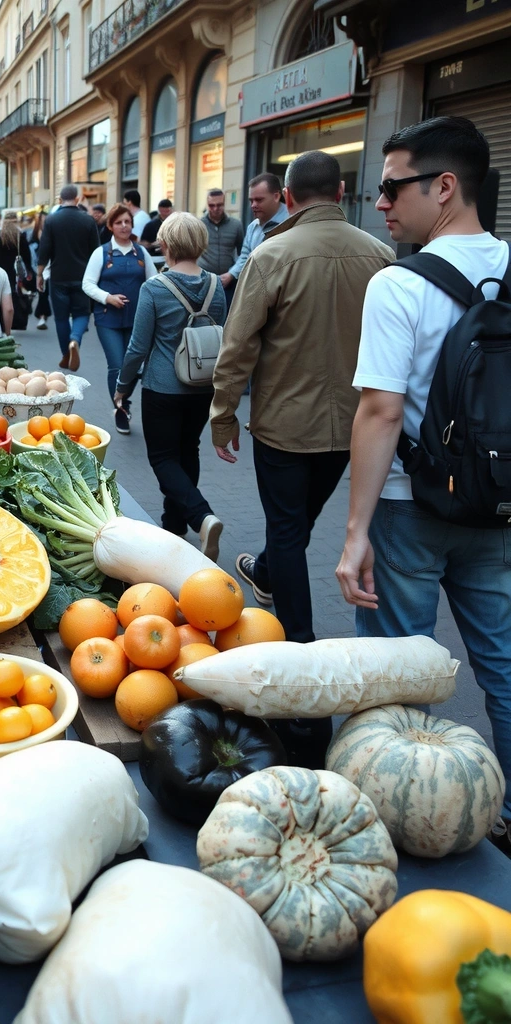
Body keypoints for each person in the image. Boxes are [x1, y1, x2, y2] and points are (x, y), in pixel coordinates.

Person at [334, 116, 511, 843]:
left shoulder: (399, 284)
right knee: (501, 659)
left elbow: (379, 410)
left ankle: (397, 815)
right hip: (496, 505)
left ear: (444, 187)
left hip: (411, 506)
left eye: (391, 187)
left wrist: (354, 534)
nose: (379, 203)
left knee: (397, 670)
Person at [209, 151, 394, 767]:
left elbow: (238, 345)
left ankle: (300, 647)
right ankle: (268, 569)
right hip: (355, 428)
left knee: (289, 532)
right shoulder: (380, 254)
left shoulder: (271, 255)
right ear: (341, 191)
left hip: (285, 427)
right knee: (298, 525)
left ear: (287, 198)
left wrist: (223, 413)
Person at [113, 213, 226, 557]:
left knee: (163, 458)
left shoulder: (154, 288)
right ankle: (174, 524)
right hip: (204, 385)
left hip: (163, 387)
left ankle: (201, 516)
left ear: (167, 245)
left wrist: (122, 387)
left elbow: (137, 347)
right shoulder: (216, 285)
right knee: (187, 450)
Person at [83, 202, 157, 435]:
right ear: (111, 226)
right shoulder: (101, 252)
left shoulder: (141, 253)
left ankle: (123, 399)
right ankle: (121, 408)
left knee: (134, 367)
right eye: (119, 222)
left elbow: (154, 281)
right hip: (108, 319)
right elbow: (87, 284)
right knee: (117, 365)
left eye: (127, 222)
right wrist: (107, 298)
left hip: (137, 319)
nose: (124, 226)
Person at [36, 184, 100, 372]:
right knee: (81, 313)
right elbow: (96, 251)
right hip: (83, 276)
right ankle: (75, 340)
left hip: (58, 276)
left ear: (59, 200)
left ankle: (66, 353)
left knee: (61, 318)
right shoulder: (88, 221)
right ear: (78, 199)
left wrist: (40, 274)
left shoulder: (51, 220)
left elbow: (44, 249)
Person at [222, 174, 288, 291]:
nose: (253, 205)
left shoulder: (292, 221)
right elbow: (245, 257)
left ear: (276, 196)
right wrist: (231, 274)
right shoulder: (253, 227)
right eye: (251, 200)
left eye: (259, 200)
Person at [197, 189, 244, 309]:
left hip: (228, 281)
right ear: (207, 205)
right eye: (211, 205)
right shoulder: (199, 225)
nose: (215, 209)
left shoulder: (236, 225)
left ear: (224, 204)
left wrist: (233, 273)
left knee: (227, 316)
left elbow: (243, 253)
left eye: (219, 205)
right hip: (204, 281)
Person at [0, 210, 35, 331]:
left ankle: (1, 321)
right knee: (14, 294)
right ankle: (15, 321)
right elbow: (27, 256)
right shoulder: (20, 236)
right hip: (14, 271)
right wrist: (28, 270)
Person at [28, 211, 51, 329]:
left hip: (48, 268)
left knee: (43, 293)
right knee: (41, 292)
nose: (45, 222)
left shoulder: (51, 233)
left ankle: (42, 317)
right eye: (43, 220)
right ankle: (41, 315)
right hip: (35, 267)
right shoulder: (33, 235)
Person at [140, 199, 173, 265]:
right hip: (156, 257)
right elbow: (142, 243)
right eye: (164, 210)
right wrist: (152, 244)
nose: (166, 213)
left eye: (168, 210)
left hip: (171, 257)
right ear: (160, 210)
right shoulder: (151, 225)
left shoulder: (174, 224)